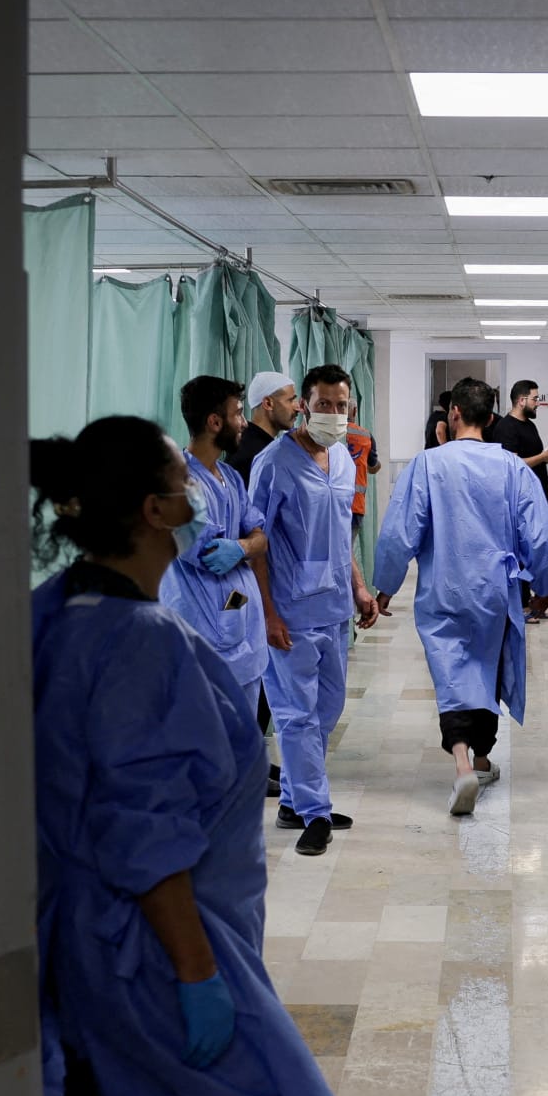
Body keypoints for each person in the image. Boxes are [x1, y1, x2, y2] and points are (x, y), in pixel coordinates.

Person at [27, 418, 400, 1096]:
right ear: (156, 511)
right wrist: (196, 973)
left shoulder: (52, 609)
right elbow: (143, 835)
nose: (200, 494)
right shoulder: (143, 643)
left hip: (74, 935)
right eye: (178, 480)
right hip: (154, 937)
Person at [370, 376, 548, 817]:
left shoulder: (426, 465)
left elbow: (400, 533)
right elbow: (542, 537)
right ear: (491, 418)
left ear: (453, 413)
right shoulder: (513, 468)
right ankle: (480, 758)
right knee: (487, 668)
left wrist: (385, 587)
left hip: (443, 589)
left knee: (451, 672)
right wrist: (545, 588)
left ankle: (461, 764)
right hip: (495, 589)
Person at [248, 364, 381, 856]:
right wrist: (267, 613)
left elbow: (342, 532)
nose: (333, 413)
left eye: (341, 405)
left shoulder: (345, 459)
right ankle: (314, 812)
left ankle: (293, 801)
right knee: (296, 716)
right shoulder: (274, 462)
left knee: (327, 710)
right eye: (323, 404)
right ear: (304, 405)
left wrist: (360, 589)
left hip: (333, 608)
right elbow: (256, 542)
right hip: (288, 610)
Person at [166, 375, 277, 712]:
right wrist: (247, 545)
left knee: (242, 741)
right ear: (215, 422)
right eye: (238, 414)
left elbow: (261, 536)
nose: (244, 423)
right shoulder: (180, 486)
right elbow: (212, 555)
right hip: (203, 631)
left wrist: (243, 547)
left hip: (240, 626)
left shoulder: (229, 477)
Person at [484, 380, 548, 620]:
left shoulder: (529, 425)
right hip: (517, 500)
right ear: (521, 400)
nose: (538, 403)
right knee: (519, 553)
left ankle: (533, 599)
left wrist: (544, 458)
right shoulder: (506, 428)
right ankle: (522, 605)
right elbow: (512, 465)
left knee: (535, 550)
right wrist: (543, 456)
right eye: (535, 399)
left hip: (534, 494)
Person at [227, 369, 299, 484]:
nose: (297, 408)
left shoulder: (249, 443)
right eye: (290, 400)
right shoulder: (256, 454)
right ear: (268, 403)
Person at [345, 418, 380, 544]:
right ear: (354, 411)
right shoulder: (365, 435)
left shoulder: (325, 432)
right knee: (345, 553)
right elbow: (373, 466)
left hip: (330, 506)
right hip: (355, 505)